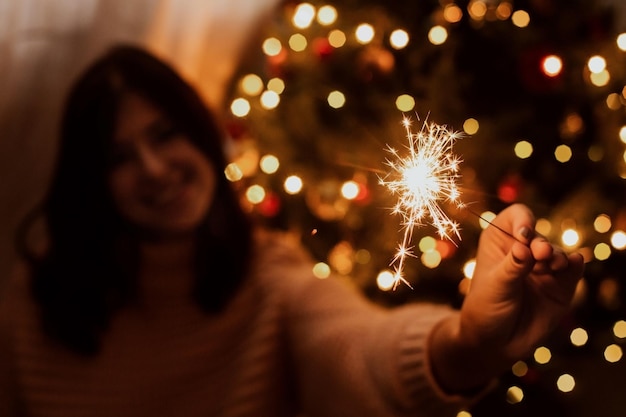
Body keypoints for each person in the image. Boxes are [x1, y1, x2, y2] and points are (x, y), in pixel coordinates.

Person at [0, 44, 584, 417]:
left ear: (201, 134)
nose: (155, 170)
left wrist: (466, 344)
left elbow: (360, 347)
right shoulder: (31, 303)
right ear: (90, 179)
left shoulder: (269, 278)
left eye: (164, 134)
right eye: (118, 157)